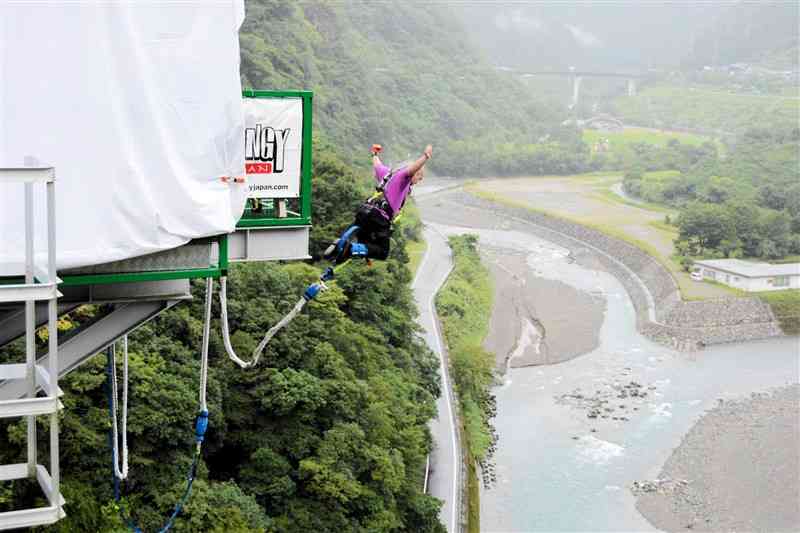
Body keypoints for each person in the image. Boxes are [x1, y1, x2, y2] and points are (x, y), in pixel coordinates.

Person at [325, 143, 433, 262]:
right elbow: (412, 169)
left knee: (366, 245)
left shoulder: (388, 174)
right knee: (382, 252)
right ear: (415, 173)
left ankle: (339, 251)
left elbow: (377, 165)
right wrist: (425, 157)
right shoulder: (403, 178)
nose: (418, 181)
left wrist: (375, 154)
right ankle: (350, 249)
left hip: (365, 211)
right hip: (379, 217)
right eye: (419, 177)